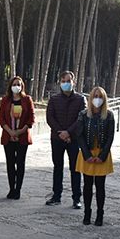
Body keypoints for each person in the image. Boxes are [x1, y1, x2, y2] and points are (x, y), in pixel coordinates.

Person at [45, 70, 86, 209]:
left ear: (73, 82)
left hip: (74, 139)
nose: (66, 84)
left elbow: (81, 119)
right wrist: (61, 133)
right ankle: (56, 196)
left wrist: (69, 133)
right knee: (58, 167)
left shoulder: (81, 99)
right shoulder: (54, 99)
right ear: (59, 83)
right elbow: (50, 118)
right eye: (63, 81)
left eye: (68, 81)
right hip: (57, 138)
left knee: (75, 169)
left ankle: (76, 198)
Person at [75, 87, 115, 227]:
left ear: (104, 99)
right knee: (87, 185)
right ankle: (87, 213)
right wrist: (87, 155)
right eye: (95, 96)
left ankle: (100, 214)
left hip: (102, 154)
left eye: (100, 96)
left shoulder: (109, 115)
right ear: (90, 98)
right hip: (87, 154)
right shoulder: (83, 114)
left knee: (100, 186)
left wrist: (102, 156)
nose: (97, 99)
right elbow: (79, 136)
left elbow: (110, 137)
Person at [0, 76, 35, 200]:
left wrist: (19, 132)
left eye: (19, 84)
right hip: (8, 137)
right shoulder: (5, 100)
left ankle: (18, 189)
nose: (16, 86)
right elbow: (1, 118)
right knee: (10, 163)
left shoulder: (27, 100)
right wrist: (10, 132)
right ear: (10, 86)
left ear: (22, 86)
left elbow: (31, 118)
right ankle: (11, 188)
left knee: (20, 163)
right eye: (14, 84)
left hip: (22, 137)